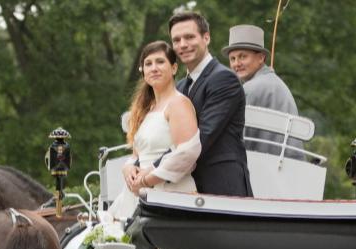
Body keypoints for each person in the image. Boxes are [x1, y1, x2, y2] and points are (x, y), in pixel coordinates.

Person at [167, 11, 252, 197]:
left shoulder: (224, 78)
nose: (183, 45)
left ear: (206, 37)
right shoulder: (180, 86)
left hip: (222, 188)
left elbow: (203, 136)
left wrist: (155, 170)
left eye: (189, 37)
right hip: (186, 190)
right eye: (176, 40)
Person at [112, 41, 200, 220]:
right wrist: (128, 167)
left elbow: (187, 153)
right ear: (143, 71)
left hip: (169, 193)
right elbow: (138, 155)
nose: (154, 68)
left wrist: (147, 180)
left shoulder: (178, 103)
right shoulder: (146, 109)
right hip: (139, 194)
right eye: (148, 63)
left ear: (174, 68)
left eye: (160, 62)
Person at [222, 24, 304, 159]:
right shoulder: (276, 83)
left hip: (266, 167)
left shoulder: (249, 89)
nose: (236, 64)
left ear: (261, 58)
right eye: (233, 59)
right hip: (292, 164)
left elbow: (236, 140)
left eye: (242, 57)